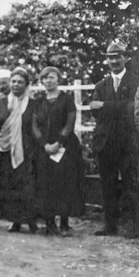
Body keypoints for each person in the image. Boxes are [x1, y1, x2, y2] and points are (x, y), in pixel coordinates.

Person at [89, 41, 139, 237]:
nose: (114, 61)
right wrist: (116, 106)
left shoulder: (137, 82)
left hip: (128, 142)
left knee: (131, 185)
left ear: (126, 58)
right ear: (106, 60)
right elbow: (95, 112)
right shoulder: (101, 85)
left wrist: (105, 105)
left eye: (118, 56)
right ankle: (110, 226)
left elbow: (132, 110)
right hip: (106, 143)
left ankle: (134, 227)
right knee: (107, 185)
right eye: (110, 57)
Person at [32, 66, 85, 236]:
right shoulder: (38, 101)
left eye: (51, 77)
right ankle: (49, 223)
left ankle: (64, 222)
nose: (48, 81)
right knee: (46, 184)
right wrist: (44, 144)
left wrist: (58, 143)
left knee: (65, 183)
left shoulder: (67, 99)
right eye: (45, 78)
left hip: (66, 147)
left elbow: (70, 123)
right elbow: (34, 126)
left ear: (58, 79)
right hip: (44, 148)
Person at [0, 67, 39, 233]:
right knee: (9, 186)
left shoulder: (34, 104)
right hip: (5, 151)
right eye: (13, 81)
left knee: (27, 186)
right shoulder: (0, 103)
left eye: (20, 82)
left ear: (27, 84)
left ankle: (30, 220)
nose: (16, 85)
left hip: (27, 151)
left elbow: (40, 127)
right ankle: (14, 220)